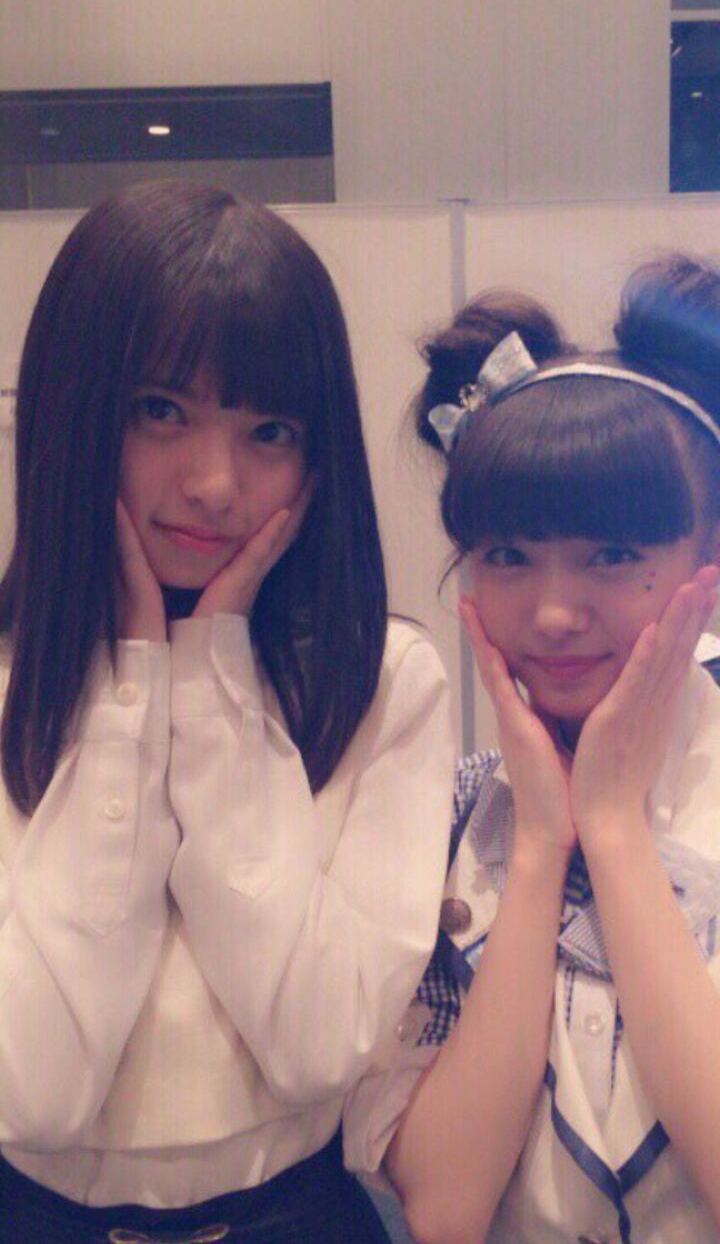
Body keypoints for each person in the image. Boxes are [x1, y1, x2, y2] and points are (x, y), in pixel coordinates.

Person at [0, 179, 454, 1243]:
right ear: (73, 412)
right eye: (160, 410)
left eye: (269, 430)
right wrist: (130, 694)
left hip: (296, 1218)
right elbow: (32, 1091)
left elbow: (316, 1044)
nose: (214, 483)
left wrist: (209, 680)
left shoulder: (383, 680)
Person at [343, 256, 720, 1243]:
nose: (553, 612)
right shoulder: (439, 818)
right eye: (509, 556)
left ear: (709, 555)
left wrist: (615, 830)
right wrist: (546, 842)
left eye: (614, 555)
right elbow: (445, 1207)